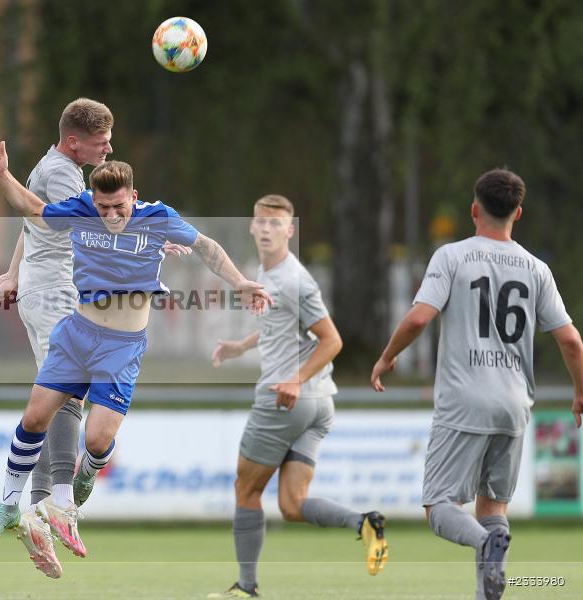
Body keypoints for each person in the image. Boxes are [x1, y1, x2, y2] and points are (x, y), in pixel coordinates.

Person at [0, 137, 271, 564]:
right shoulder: (82, 211)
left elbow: (208, 247)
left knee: (97, 439)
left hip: (122, 347)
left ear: (133, 196)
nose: (111, 216)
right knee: (36, 416)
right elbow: (33, 210)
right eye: (104, 207)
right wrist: (3, 177)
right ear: (94, 198)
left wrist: (240, 281)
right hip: (77, 334)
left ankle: (85, 479)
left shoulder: (158, 218)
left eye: (119, 207)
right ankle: (5, 507)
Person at [0, 98, 190, 579]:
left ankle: (40, 515)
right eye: (102, 141)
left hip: (46, 286)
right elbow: (61, 218)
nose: (109, 146)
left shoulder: (58, 168)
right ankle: (53, 508)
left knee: (56, 399)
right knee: (64, 397)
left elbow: (38, 223)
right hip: (57, 291)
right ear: (75, 142)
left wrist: (13, 274)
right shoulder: (66, 175)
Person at [371, 168, 583, 600]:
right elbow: (571, 341)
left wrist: (387, 357)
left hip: (464, 401)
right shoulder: (536, 268)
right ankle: (488, 590)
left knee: (439, 507)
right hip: (514, 404)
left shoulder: (452, 257)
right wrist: (580, 393)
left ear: (474, 209)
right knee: (493, 507)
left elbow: (417, 318)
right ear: (518, 213)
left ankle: (485, 543)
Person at [208, 195, 388, 599]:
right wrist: (242, 346)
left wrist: (293, 379)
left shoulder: (293, 278)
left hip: (287, 399)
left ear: (290, 231)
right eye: (261, 222)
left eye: (277, 223)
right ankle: (363, 522)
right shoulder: (268, 273)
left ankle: (246, 588)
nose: (268, 229)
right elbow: (283, 326)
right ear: (252, 227)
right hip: (319, 403)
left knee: (246, 490)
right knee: (292, 504)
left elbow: (332, 340)